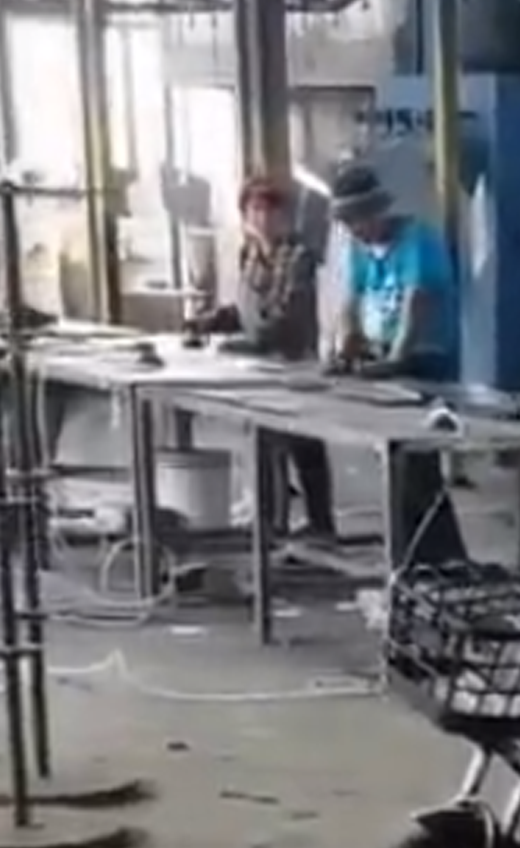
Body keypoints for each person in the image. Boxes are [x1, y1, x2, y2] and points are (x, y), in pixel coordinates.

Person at [328, 164, 467, 563]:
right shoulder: (360, 249)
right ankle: (419, 556)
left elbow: (415, 304)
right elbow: (350, 302)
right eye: (348, 225)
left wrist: (396, 360)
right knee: (397, 464)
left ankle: (438, 558)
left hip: (426, 362)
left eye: (359, 221)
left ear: (377, 210)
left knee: (417, 464)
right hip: (386, 362)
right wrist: (346, 347)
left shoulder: (418, 242)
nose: (356, 231)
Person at [189, 175, 335, 539]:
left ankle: (318, 526)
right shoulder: (250, 255)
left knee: (302, 445)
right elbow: (244, 311)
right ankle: (270, 522)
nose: (263, 219)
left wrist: (244, 344)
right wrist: (210, 322)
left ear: (285, 216)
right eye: (254, 211)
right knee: (263, 442)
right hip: (257, 367)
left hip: (294, 364)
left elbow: (285, 318)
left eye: (271, 211)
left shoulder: (298, 258)